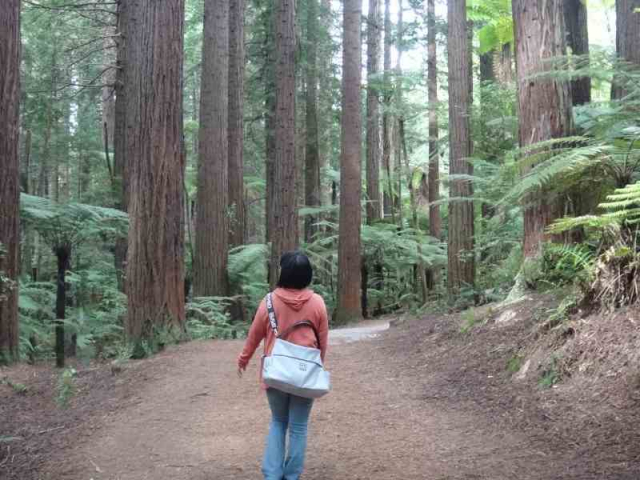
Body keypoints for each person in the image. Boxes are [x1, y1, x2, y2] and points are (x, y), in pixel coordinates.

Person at [237, 251, 329, 480]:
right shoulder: (317, 303)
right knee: (298, 427)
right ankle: (291, 476)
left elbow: (254, 335)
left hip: (276, 373)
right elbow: (323, 341)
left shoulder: (269, 301)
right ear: (307, 275)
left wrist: (244, 358)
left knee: (278, 422)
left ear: (283, 273)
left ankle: (272, 474)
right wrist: (316, 368)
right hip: (305, 374)